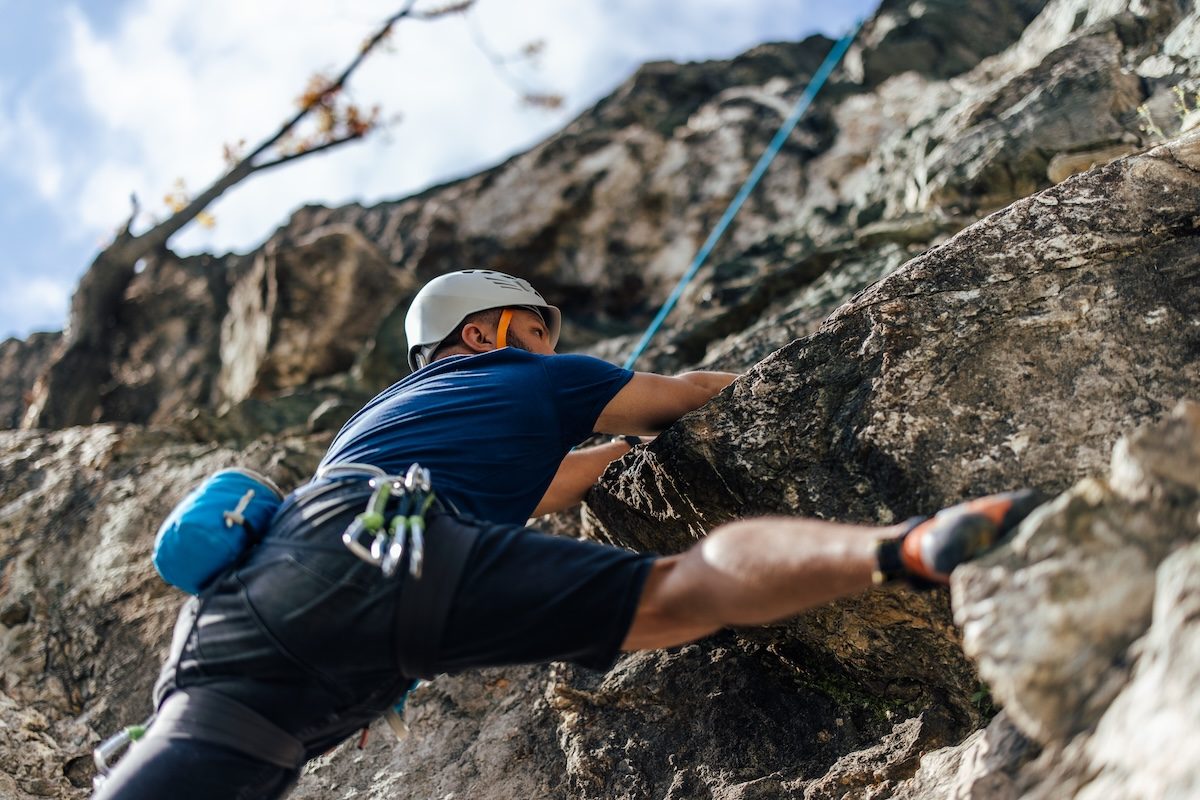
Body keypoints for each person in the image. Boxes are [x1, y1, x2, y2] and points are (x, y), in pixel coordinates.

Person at [94, 269, 1038, 799]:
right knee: (678, 595)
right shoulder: (524, 377)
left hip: (244, 643)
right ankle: (905, 549)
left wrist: (611, 439)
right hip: (394, 556)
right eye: (533, 330)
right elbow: (687, 403)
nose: (547, 346)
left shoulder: (379, 422)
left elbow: (558, 482)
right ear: (483, 332)